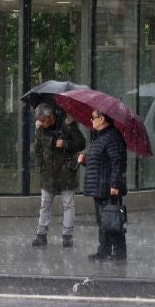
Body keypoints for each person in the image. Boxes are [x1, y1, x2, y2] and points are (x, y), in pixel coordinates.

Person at [31, 102, 86, 248]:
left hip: (66, 172)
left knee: (68, 204)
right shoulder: (40, 129)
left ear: (51, 116)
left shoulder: (68, 124)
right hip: (48, 174)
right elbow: (36, 149)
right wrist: (40, 167)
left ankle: (67, 236)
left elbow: (81, 143)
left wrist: (66, 144)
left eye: (43, 120)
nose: (41, 124)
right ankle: (41, 235)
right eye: (40, 121)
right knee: (45, 205)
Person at [77, 110, 127, 260]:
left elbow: (117, 162)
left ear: (102, 119)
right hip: (99, 186)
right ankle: (104, 250)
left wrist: (115, 184)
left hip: (107, 187)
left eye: (93, 118)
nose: (91, 120)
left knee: (112, 219)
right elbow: (100, 162)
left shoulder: (112, 137)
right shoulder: (100, 137)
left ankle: (119, 252)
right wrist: (85, 160)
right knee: (103, 220)